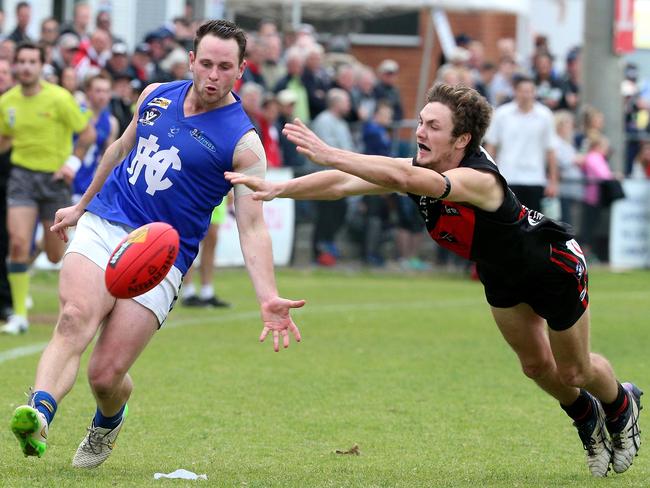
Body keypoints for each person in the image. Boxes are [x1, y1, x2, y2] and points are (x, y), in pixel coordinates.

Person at [226, 83, 642, 478]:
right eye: (421, 121)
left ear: (462, 140)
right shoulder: (419, 167)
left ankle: (622, 404)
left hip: (553, 269)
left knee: (572, 370)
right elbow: (343, 183)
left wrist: (331, 152)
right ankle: (586, 417)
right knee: (535, 367)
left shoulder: (480, 179)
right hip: (500, 275)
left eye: (433, 126)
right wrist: (280, 188)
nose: (420, 132)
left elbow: (405, 179)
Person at [8, 20, 304, 468]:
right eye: (205, 63)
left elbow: (252, 227)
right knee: (74, 317)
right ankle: (41, 413)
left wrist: (267, 296)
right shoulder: (155, 94)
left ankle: (108, 421)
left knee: (105, 375)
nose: (212, 75)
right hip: (107, 221)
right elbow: (119, 149)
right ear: (190, 60)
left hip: (161, 255)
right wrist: (81, 206)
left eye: (225, 67)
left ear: (240, 71)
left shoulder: (244, 143)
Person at [0, 42, 95, 335]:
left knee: (55, 255)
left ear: (41, 66)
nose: (27, 66)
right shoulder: (7, 101)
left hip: (55, 181)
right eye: (22, 61)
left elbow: (87, 133)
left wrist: (71, 164)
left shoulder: (60, 98)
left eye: (32, 61)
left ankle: (71, 306)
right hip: (22, 178)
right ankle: (18, 316)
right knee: (17, 243)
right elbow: (4, 138)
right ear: (15, 65)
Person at [73, 73, 119, 202]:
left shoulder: (111, 122)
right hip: (68, 177)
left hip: (88, 184)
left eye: (106, 91)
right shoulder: (76, 111)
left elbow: (108, 157)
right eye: (98, 91)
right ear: (88, 91)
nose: (102, 96)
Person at [182, 199, 231, 308]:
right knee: (190, 240)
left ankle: (207, 292)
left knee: (211, 242)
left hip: (217, 194)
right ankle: (188, 292)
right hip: (196, 192)